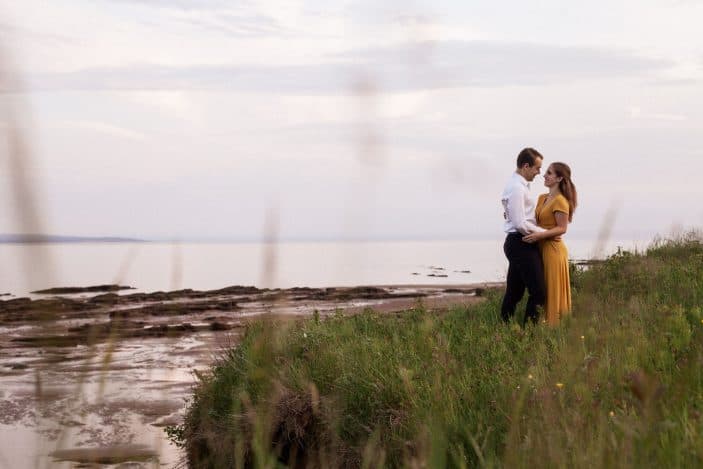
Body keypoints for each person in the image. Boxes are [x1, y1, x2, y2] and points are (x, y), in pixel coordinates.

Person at [522, 162, 578, 325]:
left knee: (551, 290)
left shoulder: (561, 201)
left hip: (553, 251)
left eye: (549, 173)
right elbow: (531, 220)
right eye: (546, 172)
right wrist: (512, 213)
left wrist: (540, 236)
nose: (544, 175)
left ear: (559, 178)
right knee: (540, 289)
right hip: (540, 248)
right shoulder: (542, 198)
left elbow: (562, 228)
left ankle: (553, 327)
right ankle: (541, 325)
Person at [500, 148, 547, 325]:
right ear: (526, 166)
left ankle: (505, 328)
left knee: (515, 291)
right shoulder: (517, 188)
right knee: (539, 293)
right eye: (537, 168)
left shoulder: (518, 185)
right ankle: (529, 334)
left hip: (518, 242)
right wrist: (545, 234)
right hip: (521, 243)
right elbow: (520, 223)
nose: (539, 173)